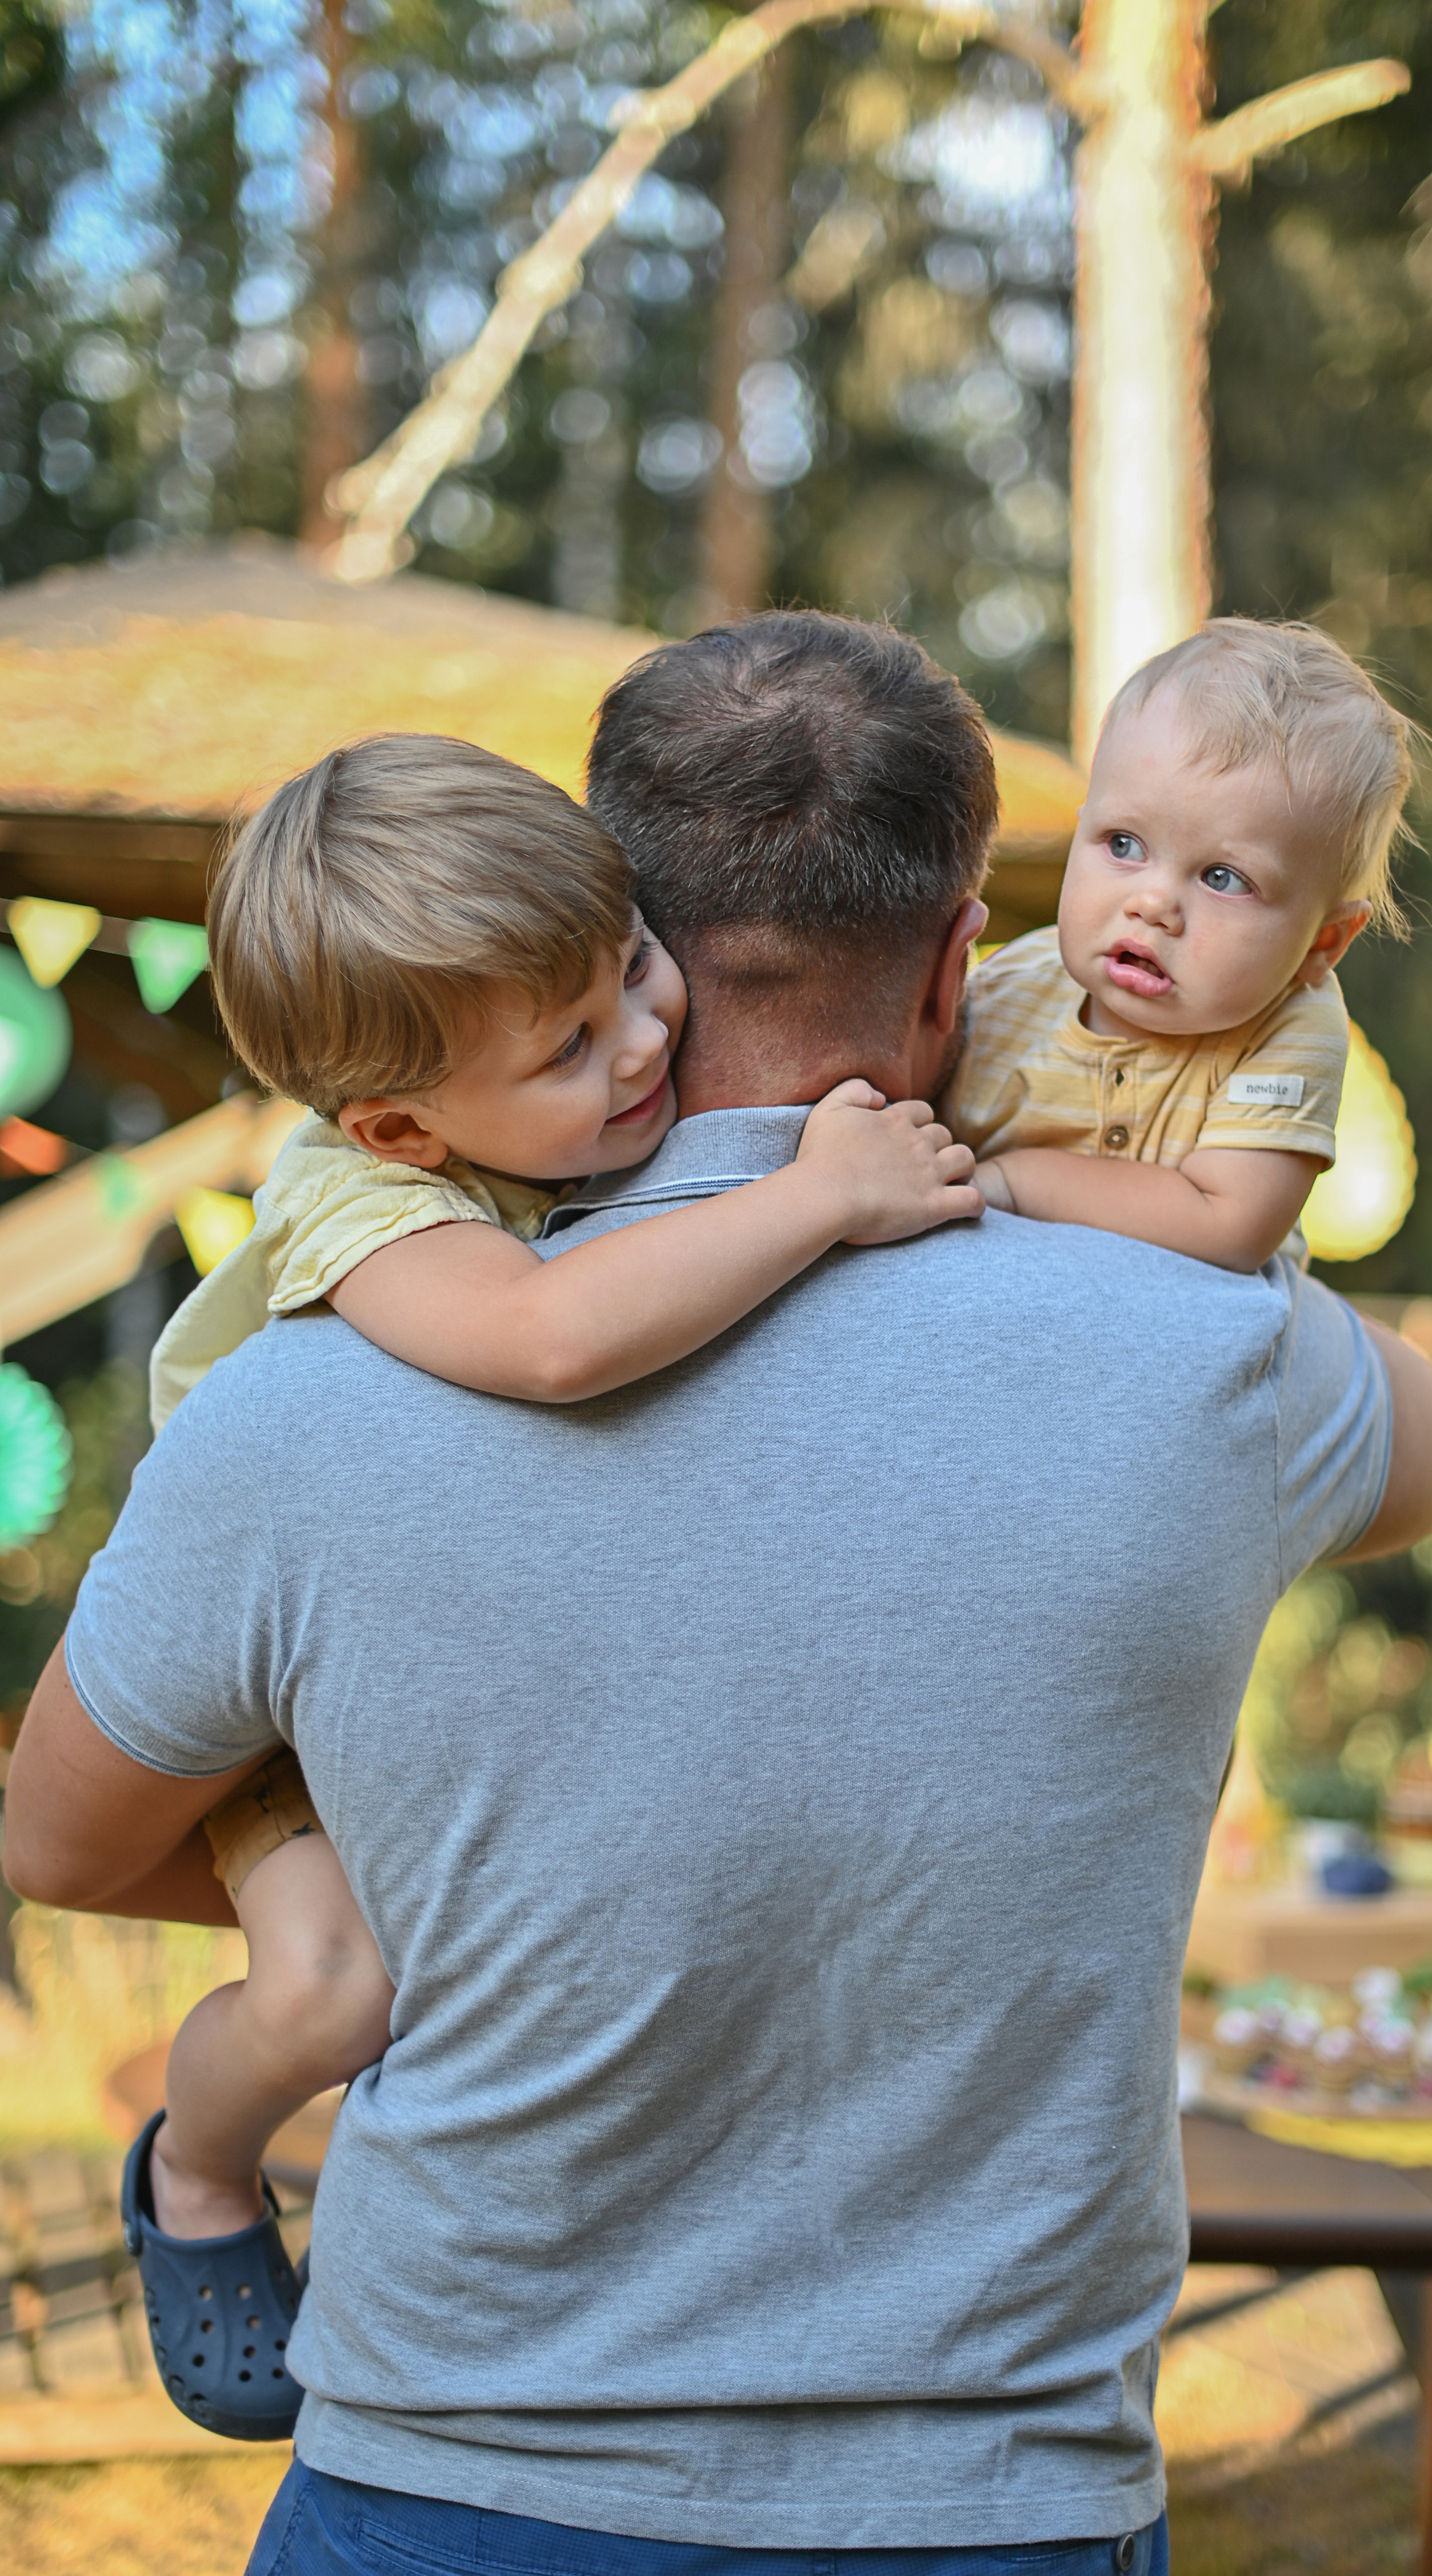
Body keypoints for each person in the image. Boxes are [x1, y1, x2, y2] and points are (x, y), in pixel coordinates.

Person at [3, 612, 1432, 2576]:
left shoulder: (314, 1386)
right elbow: (1421, 1457)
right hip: (995, 2508)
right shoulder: (1221, 1360)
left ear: (644, 942)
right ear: (966, 959)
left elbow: (60, 1833)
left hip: (451, 2480)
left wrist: (465, 1884)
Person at [128, 731, 977, 2296]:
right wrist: (817, 1194)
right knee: (331, 1992)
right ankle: (193, 2166)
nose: (646, 1038)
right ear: (397, 1126)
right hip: (274, 1698)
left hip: (433, 1665)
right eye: (569, 1049)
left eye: (636, 962)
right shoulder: (364, 1206)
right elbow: (556, 1342)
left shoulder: (511, 1104)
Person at [947, 619, 1419, 1270]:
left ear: (1324, 941)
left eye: (1222, 879)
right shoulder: (1002, 989)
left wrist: (1012, 1182)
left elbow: (1226, 1222)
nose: (1153, 903)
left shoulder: (1287, 1027)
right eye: (1122, 844)